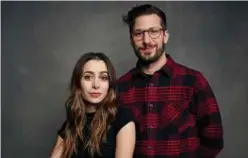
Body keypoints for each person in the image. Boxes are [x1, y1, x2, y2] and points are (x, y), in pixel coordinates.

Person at [116, 4, 224, 158]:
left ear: (165, 35)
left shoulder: (193, 82)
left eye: (154, 31)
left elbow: (214, 138)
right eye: (139, 33)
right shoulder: (120, 87)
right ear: (131, 39)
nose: (147, 40)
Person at [50, 52, 136, 158]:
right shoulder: (71, 124)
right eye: (88, 77)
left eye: (103, 78)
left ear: (110, 84)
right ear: (78, 83)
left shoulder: (123, 118)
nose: (96, 85)